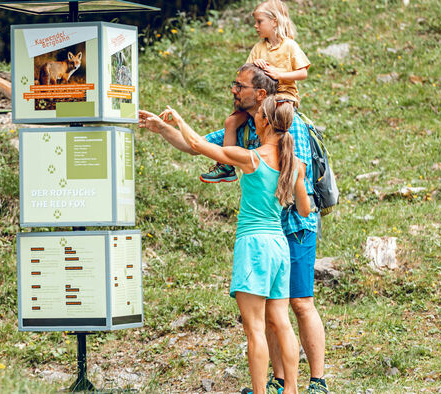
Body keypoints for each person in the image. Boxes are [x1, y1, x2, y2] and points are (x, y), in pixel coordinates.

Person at [140, 64, 328, 394]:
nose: (234, 90)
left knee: (275, 317)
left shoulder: (260, 150)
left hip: (271, 238)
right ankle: (287, 387)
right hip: (277, 240)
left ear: (262, 101)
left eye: (240, 86)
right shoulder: (254, 134)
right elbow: (198, 144)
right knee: (278, 319)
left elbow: (200, 145)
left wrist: (179, 119)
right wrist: (162, 128)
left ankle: (314, 382)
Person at [201, 0, 310, 184]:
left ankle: (273, 162)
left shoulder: (289, 45)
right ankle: (226, 166)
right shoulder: (259, 47)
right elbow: (247, 72)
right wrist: (255, 65)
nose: (256, 26)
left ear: (274, 21)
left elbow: (303, 73)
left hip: (283, 97)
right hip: (260, 99)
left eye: (260, 21)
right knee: (231, 121)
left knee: (272, 122)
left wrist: (280, 74)